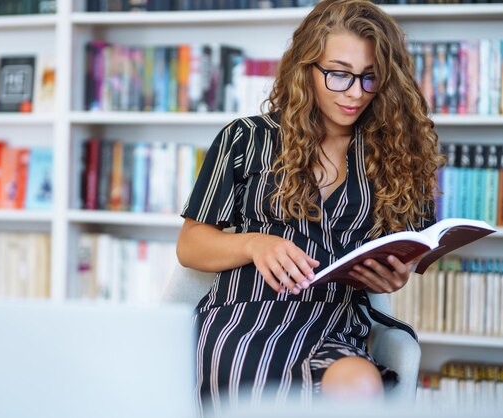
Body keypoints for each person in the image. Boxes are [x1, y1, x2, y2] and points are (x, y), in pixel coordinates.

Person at [177, 0, 444, 414]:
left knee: (358, 386)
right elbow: (190, 246)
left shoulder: (399, 154)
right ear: (307, 67)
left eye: (370, 78)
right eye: (338, 74)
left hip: (334, 323)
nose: (356, 93)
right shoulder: (247, 139)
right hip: (244, 316)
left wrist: (394, 276)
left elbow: (409, 248)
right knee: (248, 382)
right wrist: (253, 245)